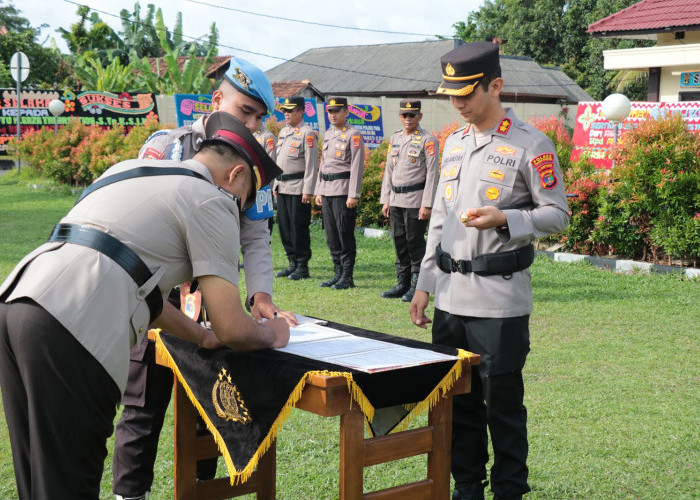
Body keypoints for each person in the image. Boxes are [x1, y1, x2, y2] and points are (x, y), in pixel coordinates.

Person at [0, 111, 291, 500]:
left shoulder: (128, 168)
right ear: (235, 176)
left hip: (20, 300)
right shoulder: (213, 200)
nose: (240, 212)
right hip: (76, 324)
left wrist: (200, 339)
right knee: (69, 482)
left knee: (38, 477)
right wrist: (273, 334)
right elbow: (233, 327)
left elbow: (138, 285)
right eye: (245, 201)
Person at [112, 57, 296, 500]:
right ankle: (128, 494)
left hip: (215, 301)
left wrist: (261, 295)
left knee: (211, 406)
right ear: (217, 100)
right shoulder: (169, 145)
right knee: (142, 405)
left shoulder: (253, 163)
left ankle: (203, 492)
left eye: (258, 116)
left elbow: (255, 235)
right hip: (156, 295)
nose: (251, 121)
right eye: (244, 109)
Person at [409, 42, 569, 500]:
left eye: (467, 94)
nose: (457, 104)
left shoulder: (531, 145)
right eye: (452, 95)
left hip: (498, 302)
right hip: (450, 300)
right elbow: (439, 221)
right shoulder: (454, 143)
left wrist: (507, 219)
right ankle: (466, 487)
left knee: (502, 408)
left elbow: (557, 214)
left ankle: (509, 491)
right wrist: (424, 285)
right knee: (457, 406)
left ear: (495, 86)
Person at [380, 99, 439, 302]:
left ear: (419, 116)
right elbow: (389, 170)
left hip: (415, 200)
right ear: (399, 116)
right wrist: (385, 199)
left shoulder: (427, 140)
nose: (408, 118)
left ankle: (417, 285)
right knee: (399, 242)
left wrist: (427, 204)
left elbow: (432, 174)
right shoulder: (395, 138)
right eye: (404, 115)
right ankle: (402, 282)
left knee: (415, 243)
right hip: (396, 199)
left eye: (412, 115)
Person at [314, 97, 365, 290]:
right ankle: (337, 273)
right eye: (330, 112)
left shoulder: (353, 134)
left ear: (346, 112)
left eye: (336, 111)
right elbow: (323, 164)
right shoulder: (328, 134)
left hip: (343, 191)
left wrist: (354, 194)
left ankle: (347, 276)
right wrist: (319, 190)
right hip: (326, 190)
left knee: (344, 233)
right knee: (331, 235)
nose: (332, 115)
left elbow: (357, 166)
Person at [273, 96, 319, 281]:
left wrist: (308, 190)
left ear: (301, 111)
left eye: (290, 110)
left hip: (298, 188)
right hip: (283, 186)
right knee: (284, 226)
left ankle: (302, 265)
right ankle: (291, 262)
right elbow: (279, 160)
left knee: (298, 227)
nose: (286, 114)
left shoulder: (308, 133)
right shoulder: (284, 132)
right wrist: (275, 184)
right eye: (284, 110)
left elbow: (311, 164)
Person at [254, 121, 278, 234]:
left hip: (263, 188)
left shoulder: (267, 137)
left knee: (264, 226)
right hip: (249, 187)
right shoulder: (248, 135)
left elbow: (271, 165)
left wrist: (269, 188)